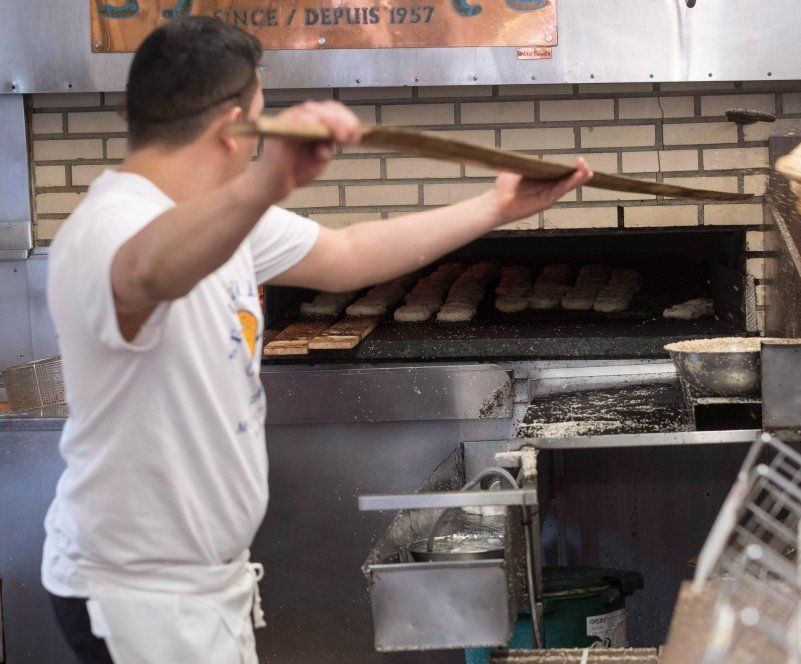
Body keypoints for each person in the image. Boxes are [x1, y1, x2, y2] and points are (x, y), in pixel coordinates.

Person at [42, 17, 591, 664]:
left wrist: (495, 207)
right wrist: (265, 182)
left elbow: (346, 254)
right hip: (134, 595)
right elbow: (145, 271)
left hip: (199, 587)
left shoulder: (223, 218)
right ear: (234, 128)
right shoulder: (108, 227)